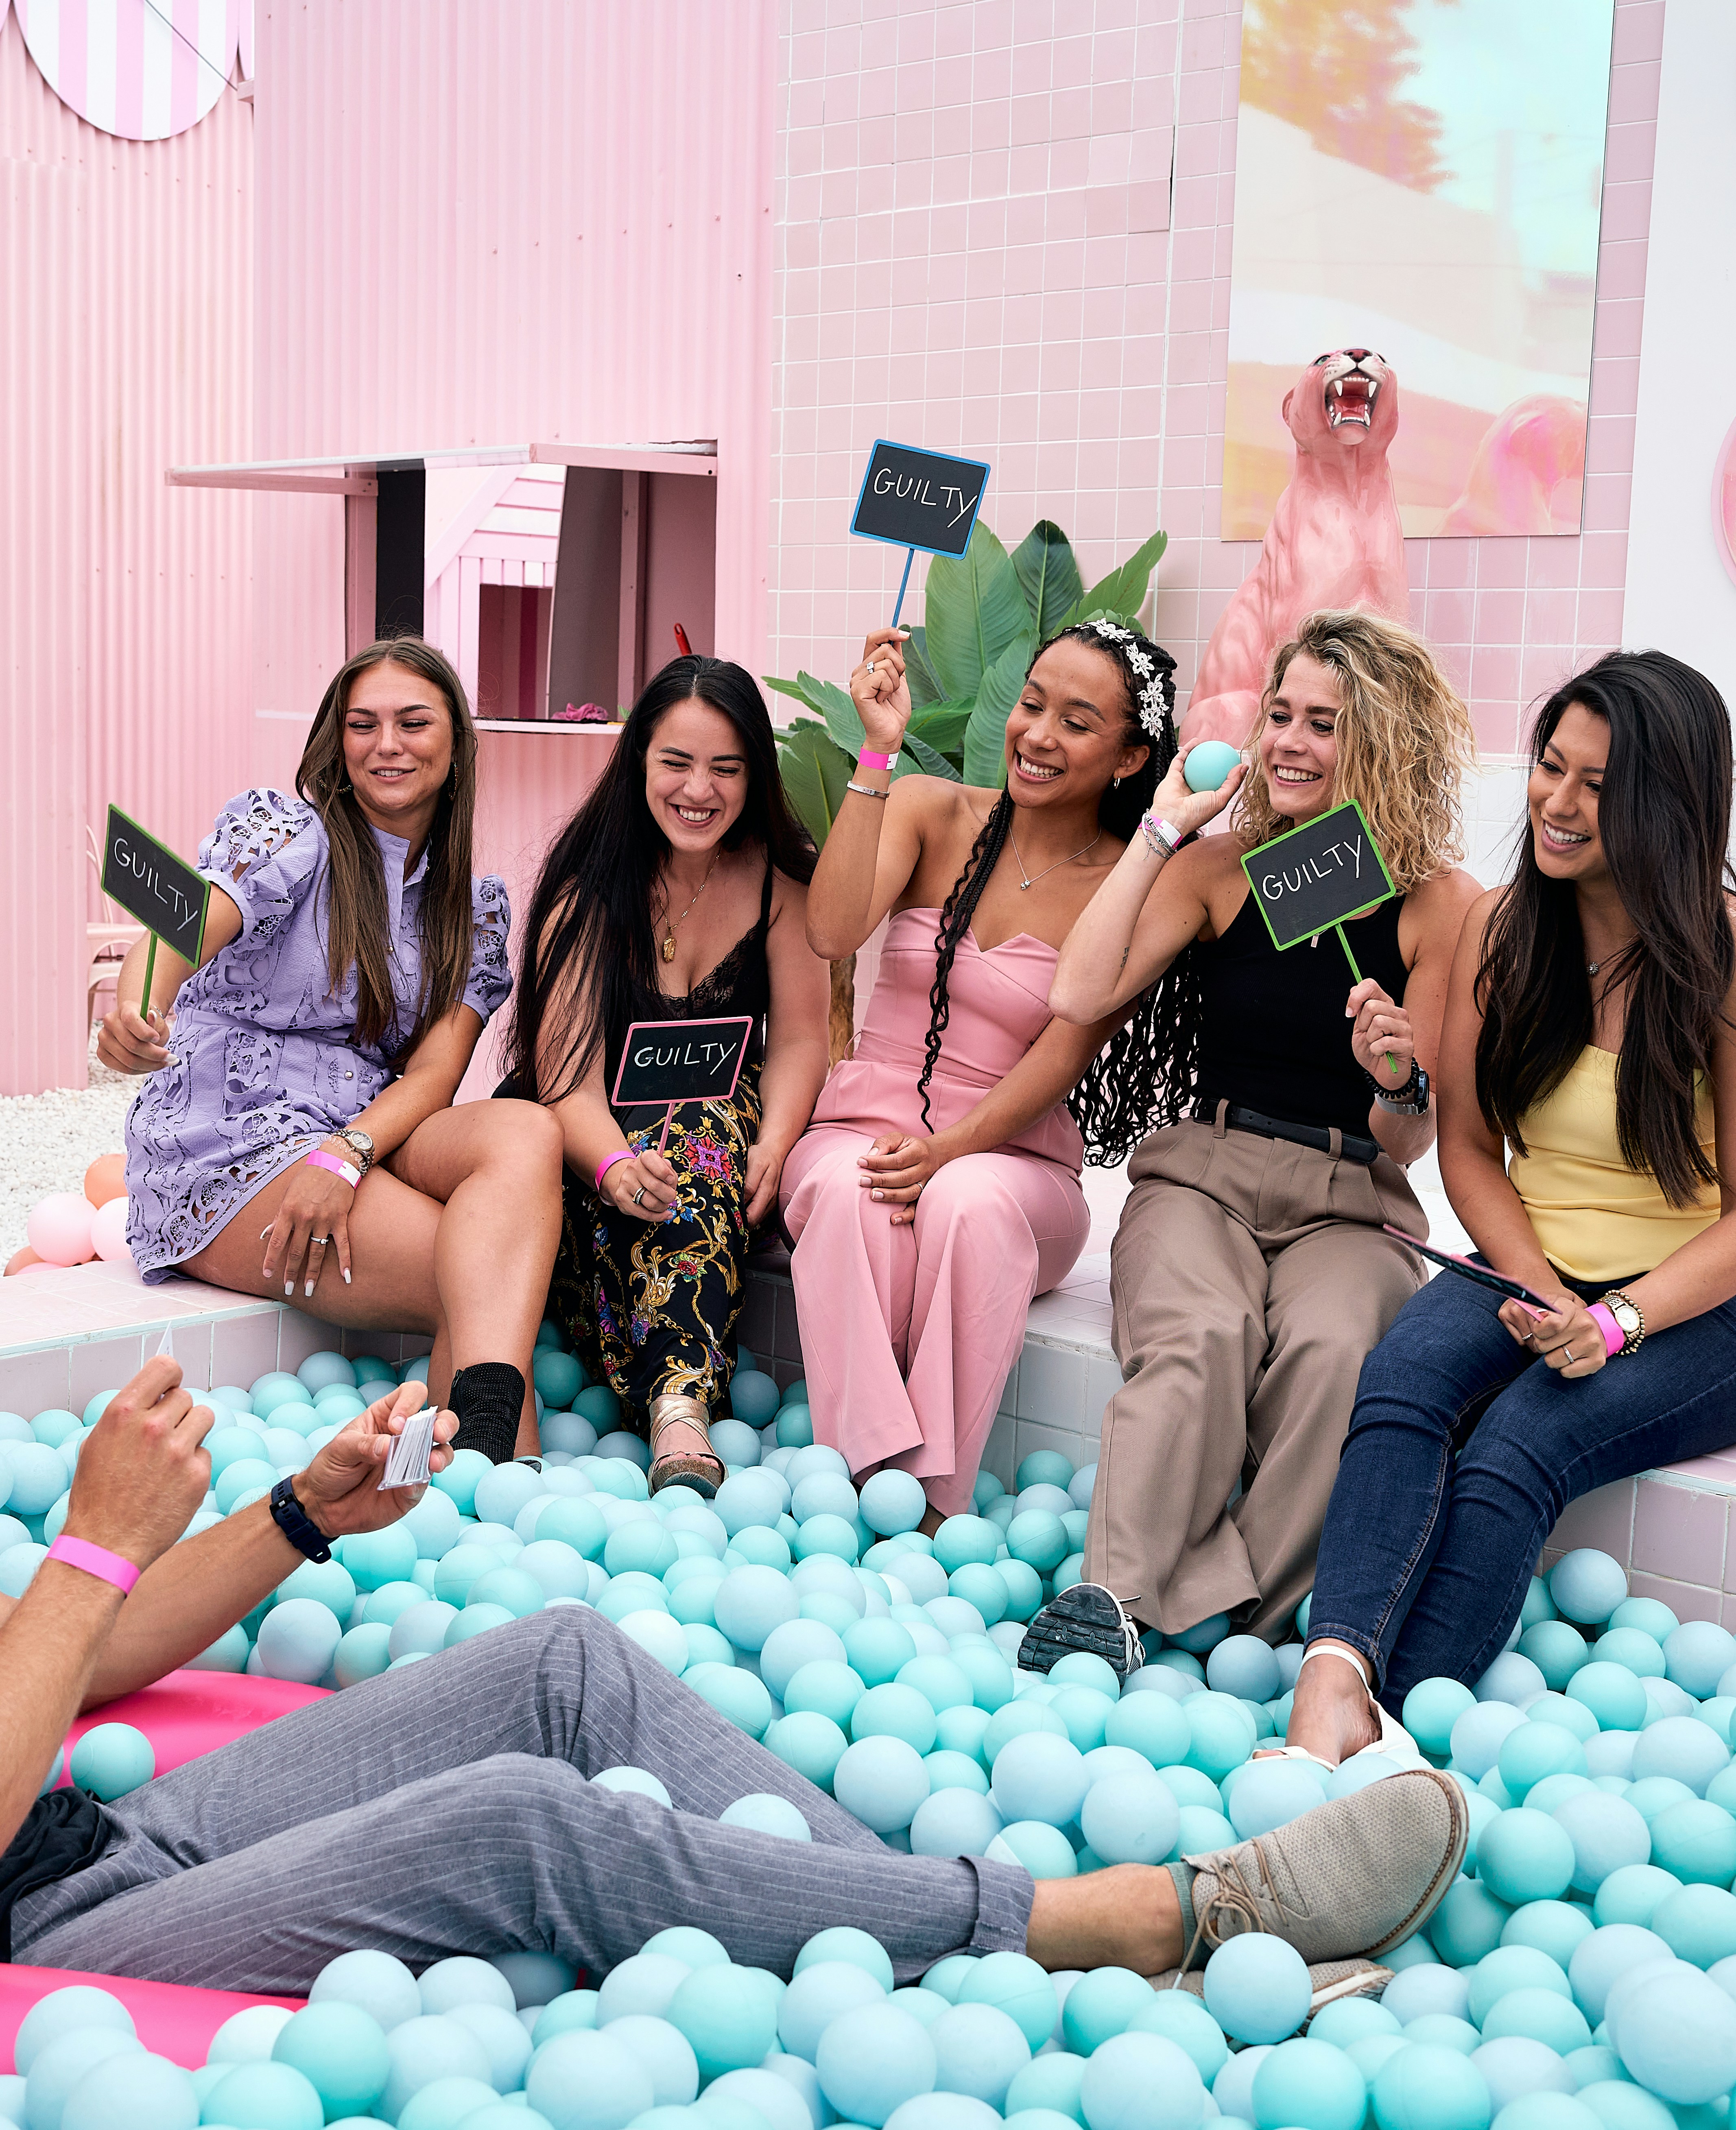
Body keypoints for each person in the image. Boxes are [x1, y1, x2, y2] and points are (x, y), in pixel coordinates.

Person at [0, 1174, 1471, 1994]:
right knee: (518, 1830)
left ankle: (922, 1938)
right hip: (4, 1953)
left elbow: (87, 1655)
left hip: (81, 1838)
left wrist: (291, 1520)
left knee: (559, 1660)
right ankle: (1134, 1922)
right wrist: (94, 1534)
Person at [1286, 650, 1736, 1763]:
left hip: (1710, 1308)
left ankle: (1397, 1734)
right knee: (1403, 1380)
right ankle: (1329, 1681)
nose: (1556, 804)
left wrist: (1610, 1321)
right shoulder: (1504, 929)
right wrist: (1534, 1285)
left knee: (1519, 1439)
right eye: (1547, 766)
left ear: (1668, 804)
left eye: (1597, 785)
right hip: (1532, 1265)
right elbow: (1471, 1151)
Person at [1027, 612, 1479, 1674]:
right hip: (1204, 1177)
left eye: (1323, 724)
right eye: (1279, 713)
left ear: (1383, 743)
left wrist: (1399, 1076)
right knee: (1198, 1337)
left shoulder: (1440, 903)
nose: (1286, 741)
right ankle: (1115, 1605)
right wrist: (1163, 826)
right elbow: (1079, 988)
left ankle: (1247, 1633)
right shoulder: (1223, 867)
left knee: (1336, 1358)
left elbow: (1411, 1139)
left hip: (1349, 1190)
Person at [96, 638, 560, 1462]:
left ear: (455, 746)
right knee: (479, 1277)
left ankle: (468, 1475)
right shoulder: (290, 836)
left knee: (524, 1133)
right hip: (233, 1140)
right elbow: (185, 922)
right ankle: (489, 1481)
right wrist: (140, 1007)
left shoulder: (474, 908)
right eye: (363, 724)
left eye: (414, 722)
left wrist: (345, 1156)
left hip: (357, 1132)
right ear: (337, 745)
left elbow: (434, 1076)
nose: (388, 743)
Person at [788, 619, 1199, 1527]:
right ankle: (865, 1474)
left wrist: (946, 1151)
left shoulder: (1127, 884)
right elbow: (830, 930)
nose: (1039, 734)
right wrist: (876, 753)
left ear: (1131, 756)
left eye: (1078, 722)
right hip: (862, 1127)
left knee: (965, 1201)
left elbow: (1062, 1058)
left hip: (1013, 1162)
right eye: (1032, 703)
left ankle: (934, 1501)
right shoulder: (931, 808)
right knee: (849, 1189)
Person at [502, 656, 830, 1495]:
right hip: (591, 1148)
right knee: (666, 1148)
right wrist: (613, 1167)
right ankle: (675, 1403)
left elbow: (798, 1039)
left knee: (700, 1134)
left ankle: (677, 1407)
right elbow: (564, 1078)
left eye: (726, 767)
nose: (700, 789)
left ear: (754, 772)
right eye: (676, 763)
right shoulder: (588, 893)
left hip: (716, 1144)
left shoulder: (780, 885)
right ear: (638, 762)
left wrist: (778, 1140)